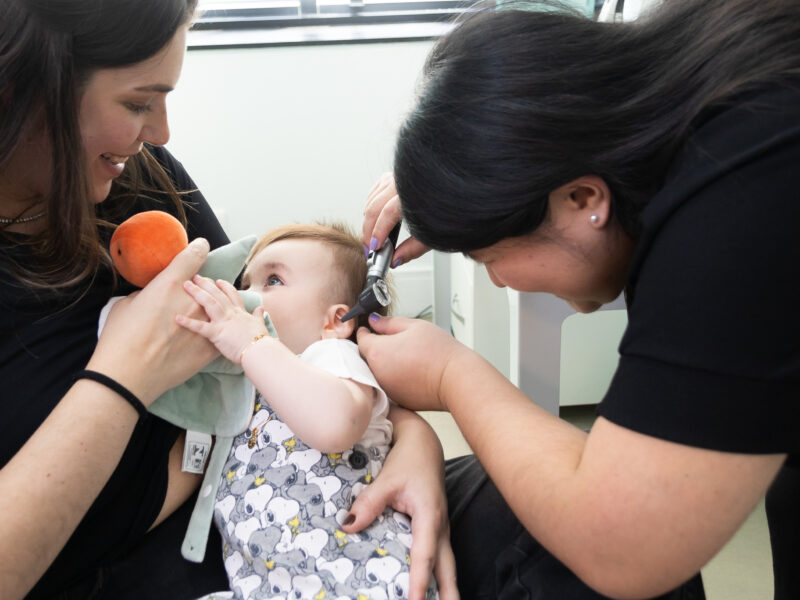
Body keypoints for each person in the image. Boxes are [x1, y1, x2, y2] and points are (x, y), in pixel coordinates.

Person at [0, 3, 454, 599]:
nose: (160, 133)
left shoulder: (138, 177)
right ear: (22, 91)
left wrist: (413, 443)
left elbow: (290, 345)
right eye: (137, 103)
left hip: (281, 512)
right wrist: (124, 372)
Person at [358, 0, 800, 598]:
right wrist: (461, 172)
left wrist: (449, 373)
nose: (498, 281)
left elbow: (625, 546)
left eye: (487, 258)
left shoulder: (739, 199)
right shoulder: (696, 83)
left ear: (582, 199)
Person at [176, 223, 439, 599]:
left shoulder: (331, 358)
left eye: (273, 281)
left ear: (334, 321)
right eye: (246, 283)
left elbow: (335, 425)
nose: (246, 295)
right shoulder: (248, 383)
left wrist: (253, 344)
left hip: (360, 574)